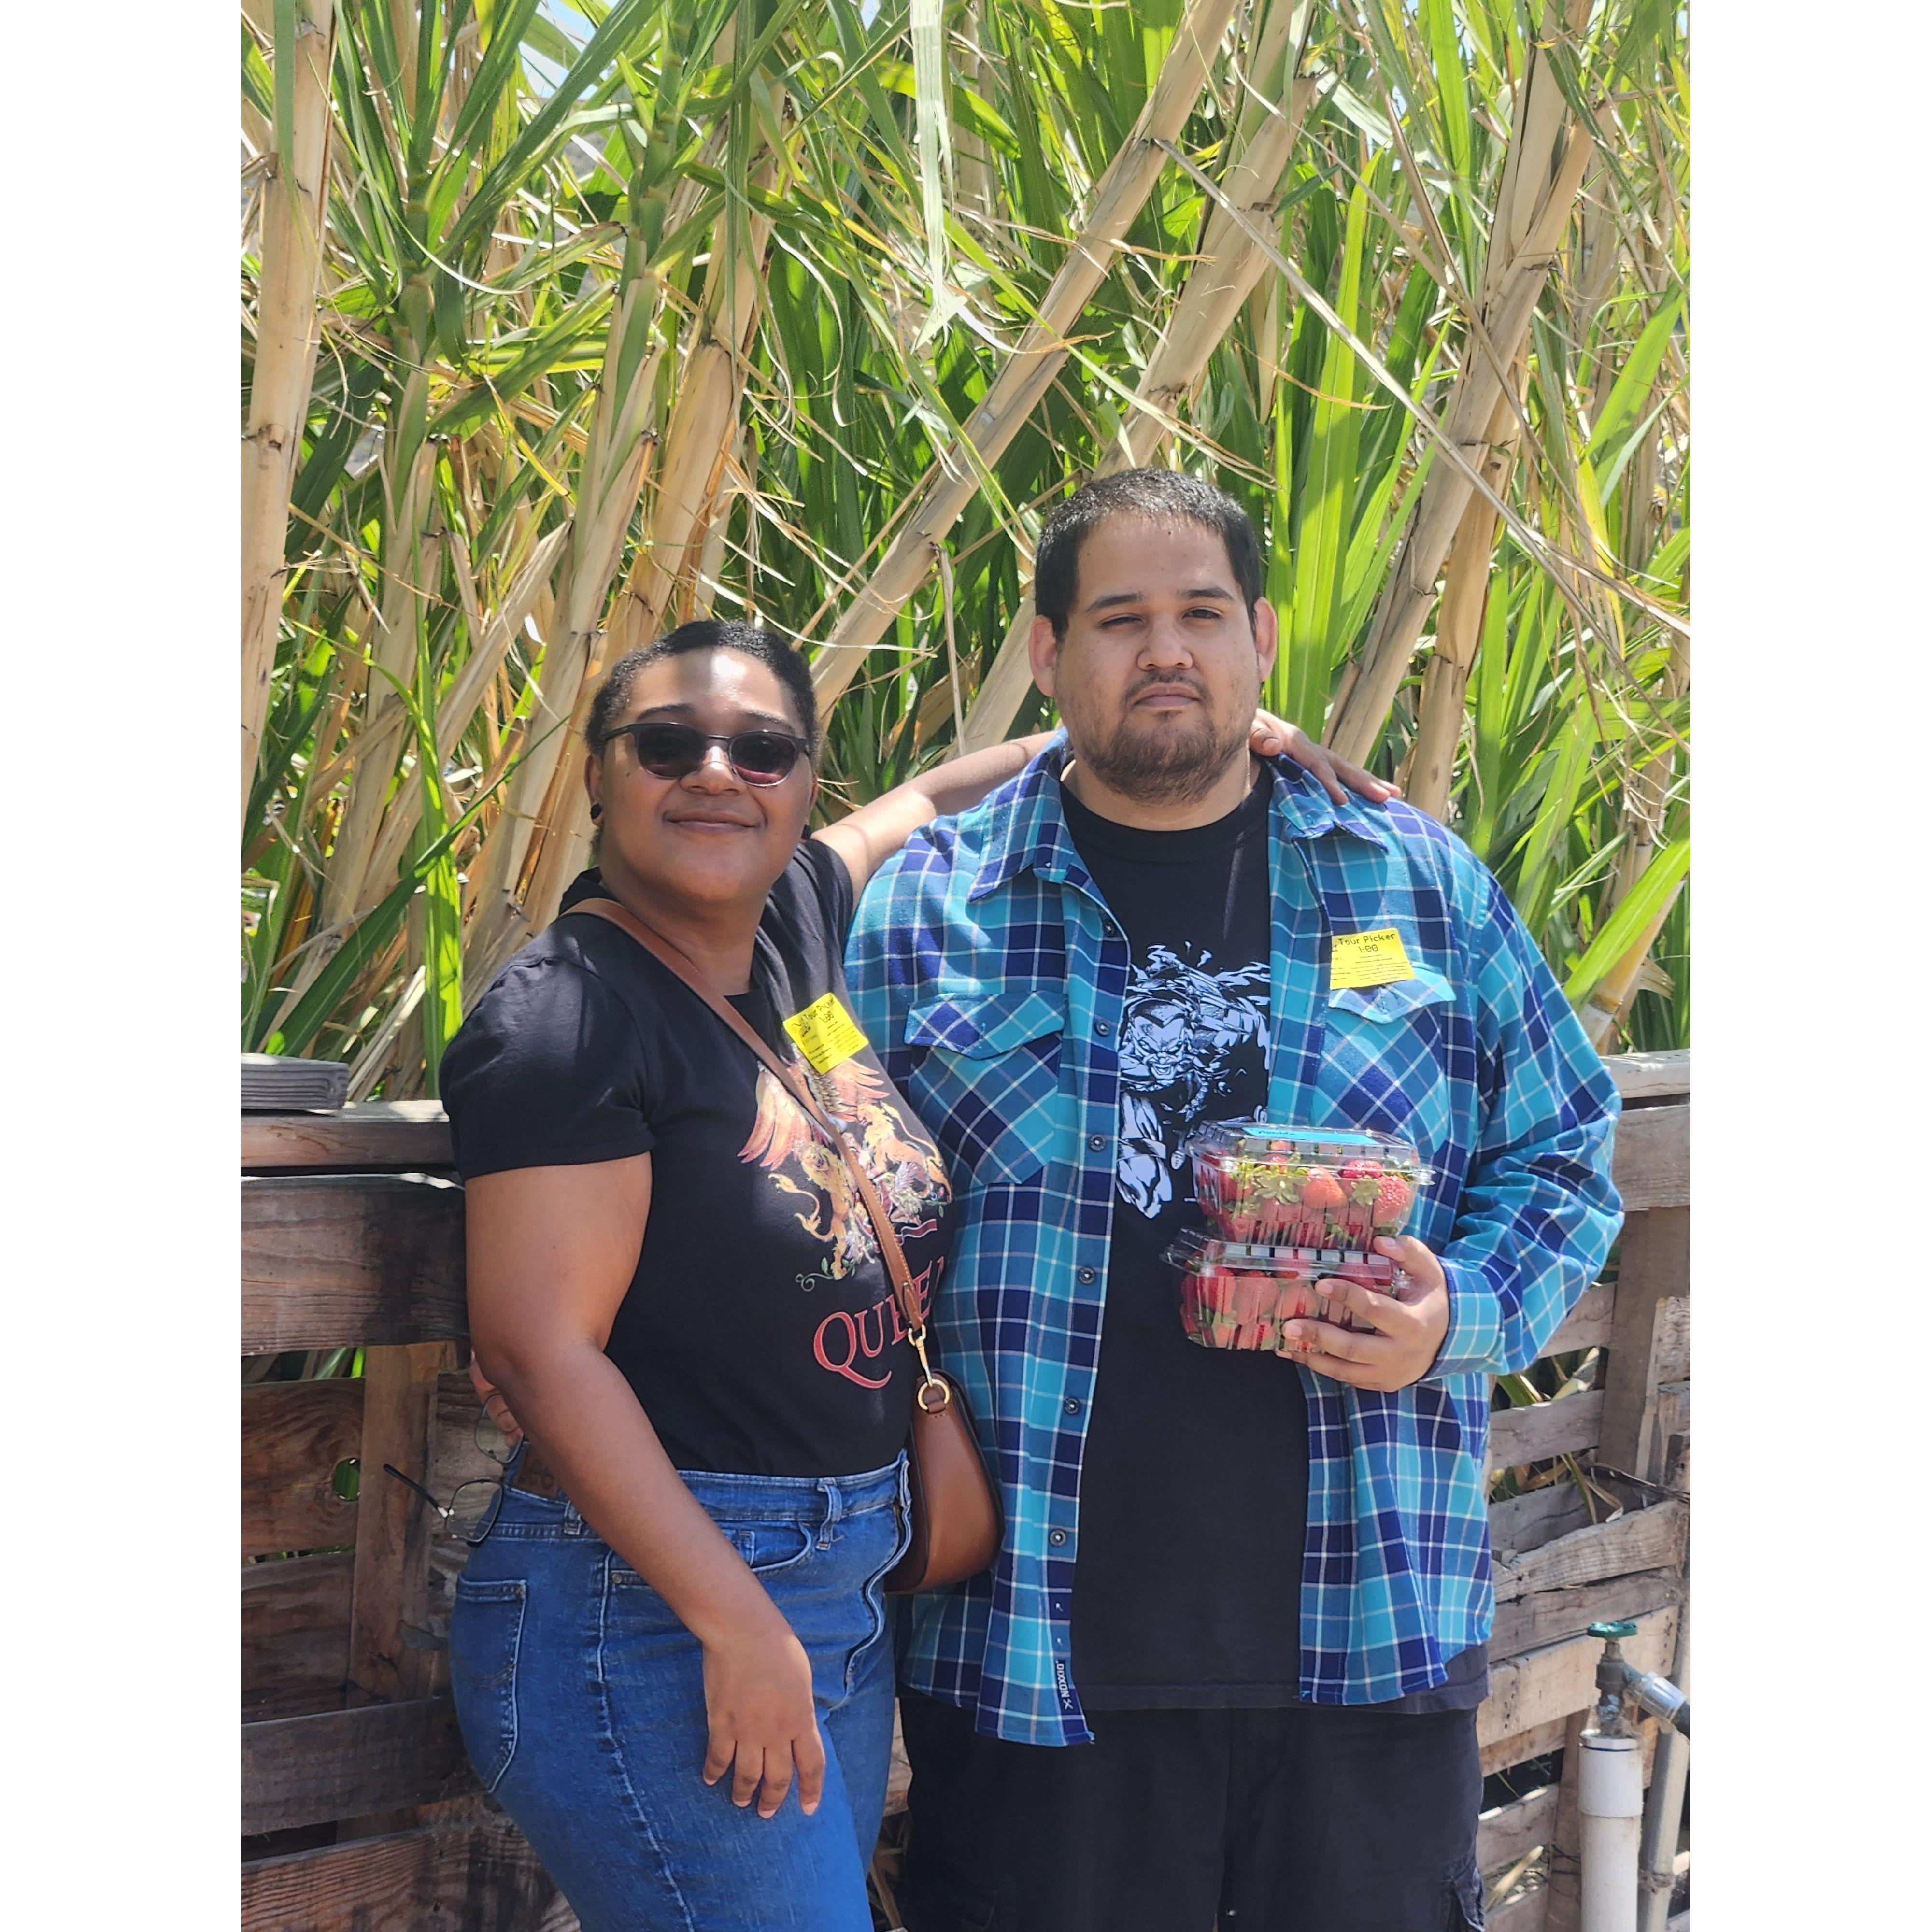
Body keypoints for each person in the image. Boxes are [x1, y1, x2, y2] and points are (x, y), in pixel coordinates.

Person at [435, 616, 1377, 1932]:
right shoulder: (567, 1023)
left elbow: (935, 792)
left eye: (762, 750)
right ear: (598, 776)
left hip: (827, 1583)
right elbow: (543, 1353)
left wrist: (1205, 738)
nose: (719, 773)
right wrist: (740, 1626)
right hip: (656, 1610)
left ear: (804, 786)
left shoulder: (792, 922)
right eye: (669, 744)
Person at [843, 469, 1625, 1932]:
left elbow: (1566, 1149)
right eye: (1120, 621)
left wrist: (1461, 1311)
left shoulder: (1417, 881)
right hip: (1031, 1648)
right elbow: (820, 1190)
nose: (1167, 653)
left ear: (1262, 640)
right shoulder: (926, 907)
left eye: (1203, 615)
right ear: (1045, 653)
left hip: (1369, 1636)